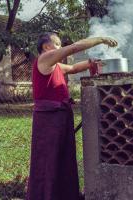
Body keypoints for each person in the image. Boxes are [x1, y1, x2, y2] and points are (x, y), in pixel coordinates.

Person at [26, 32, 118, 200]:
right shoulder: (44, 59)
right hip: (48, 120)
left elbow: (74, 68)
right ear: (47, 47)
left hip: (61, 116)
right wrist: (101, 39)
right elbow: (74, 48)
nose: (61, 48)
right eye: (58, 44)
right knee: (48, 160)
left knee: (64, 157)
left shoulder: (55, 66)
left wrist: (92, 63)